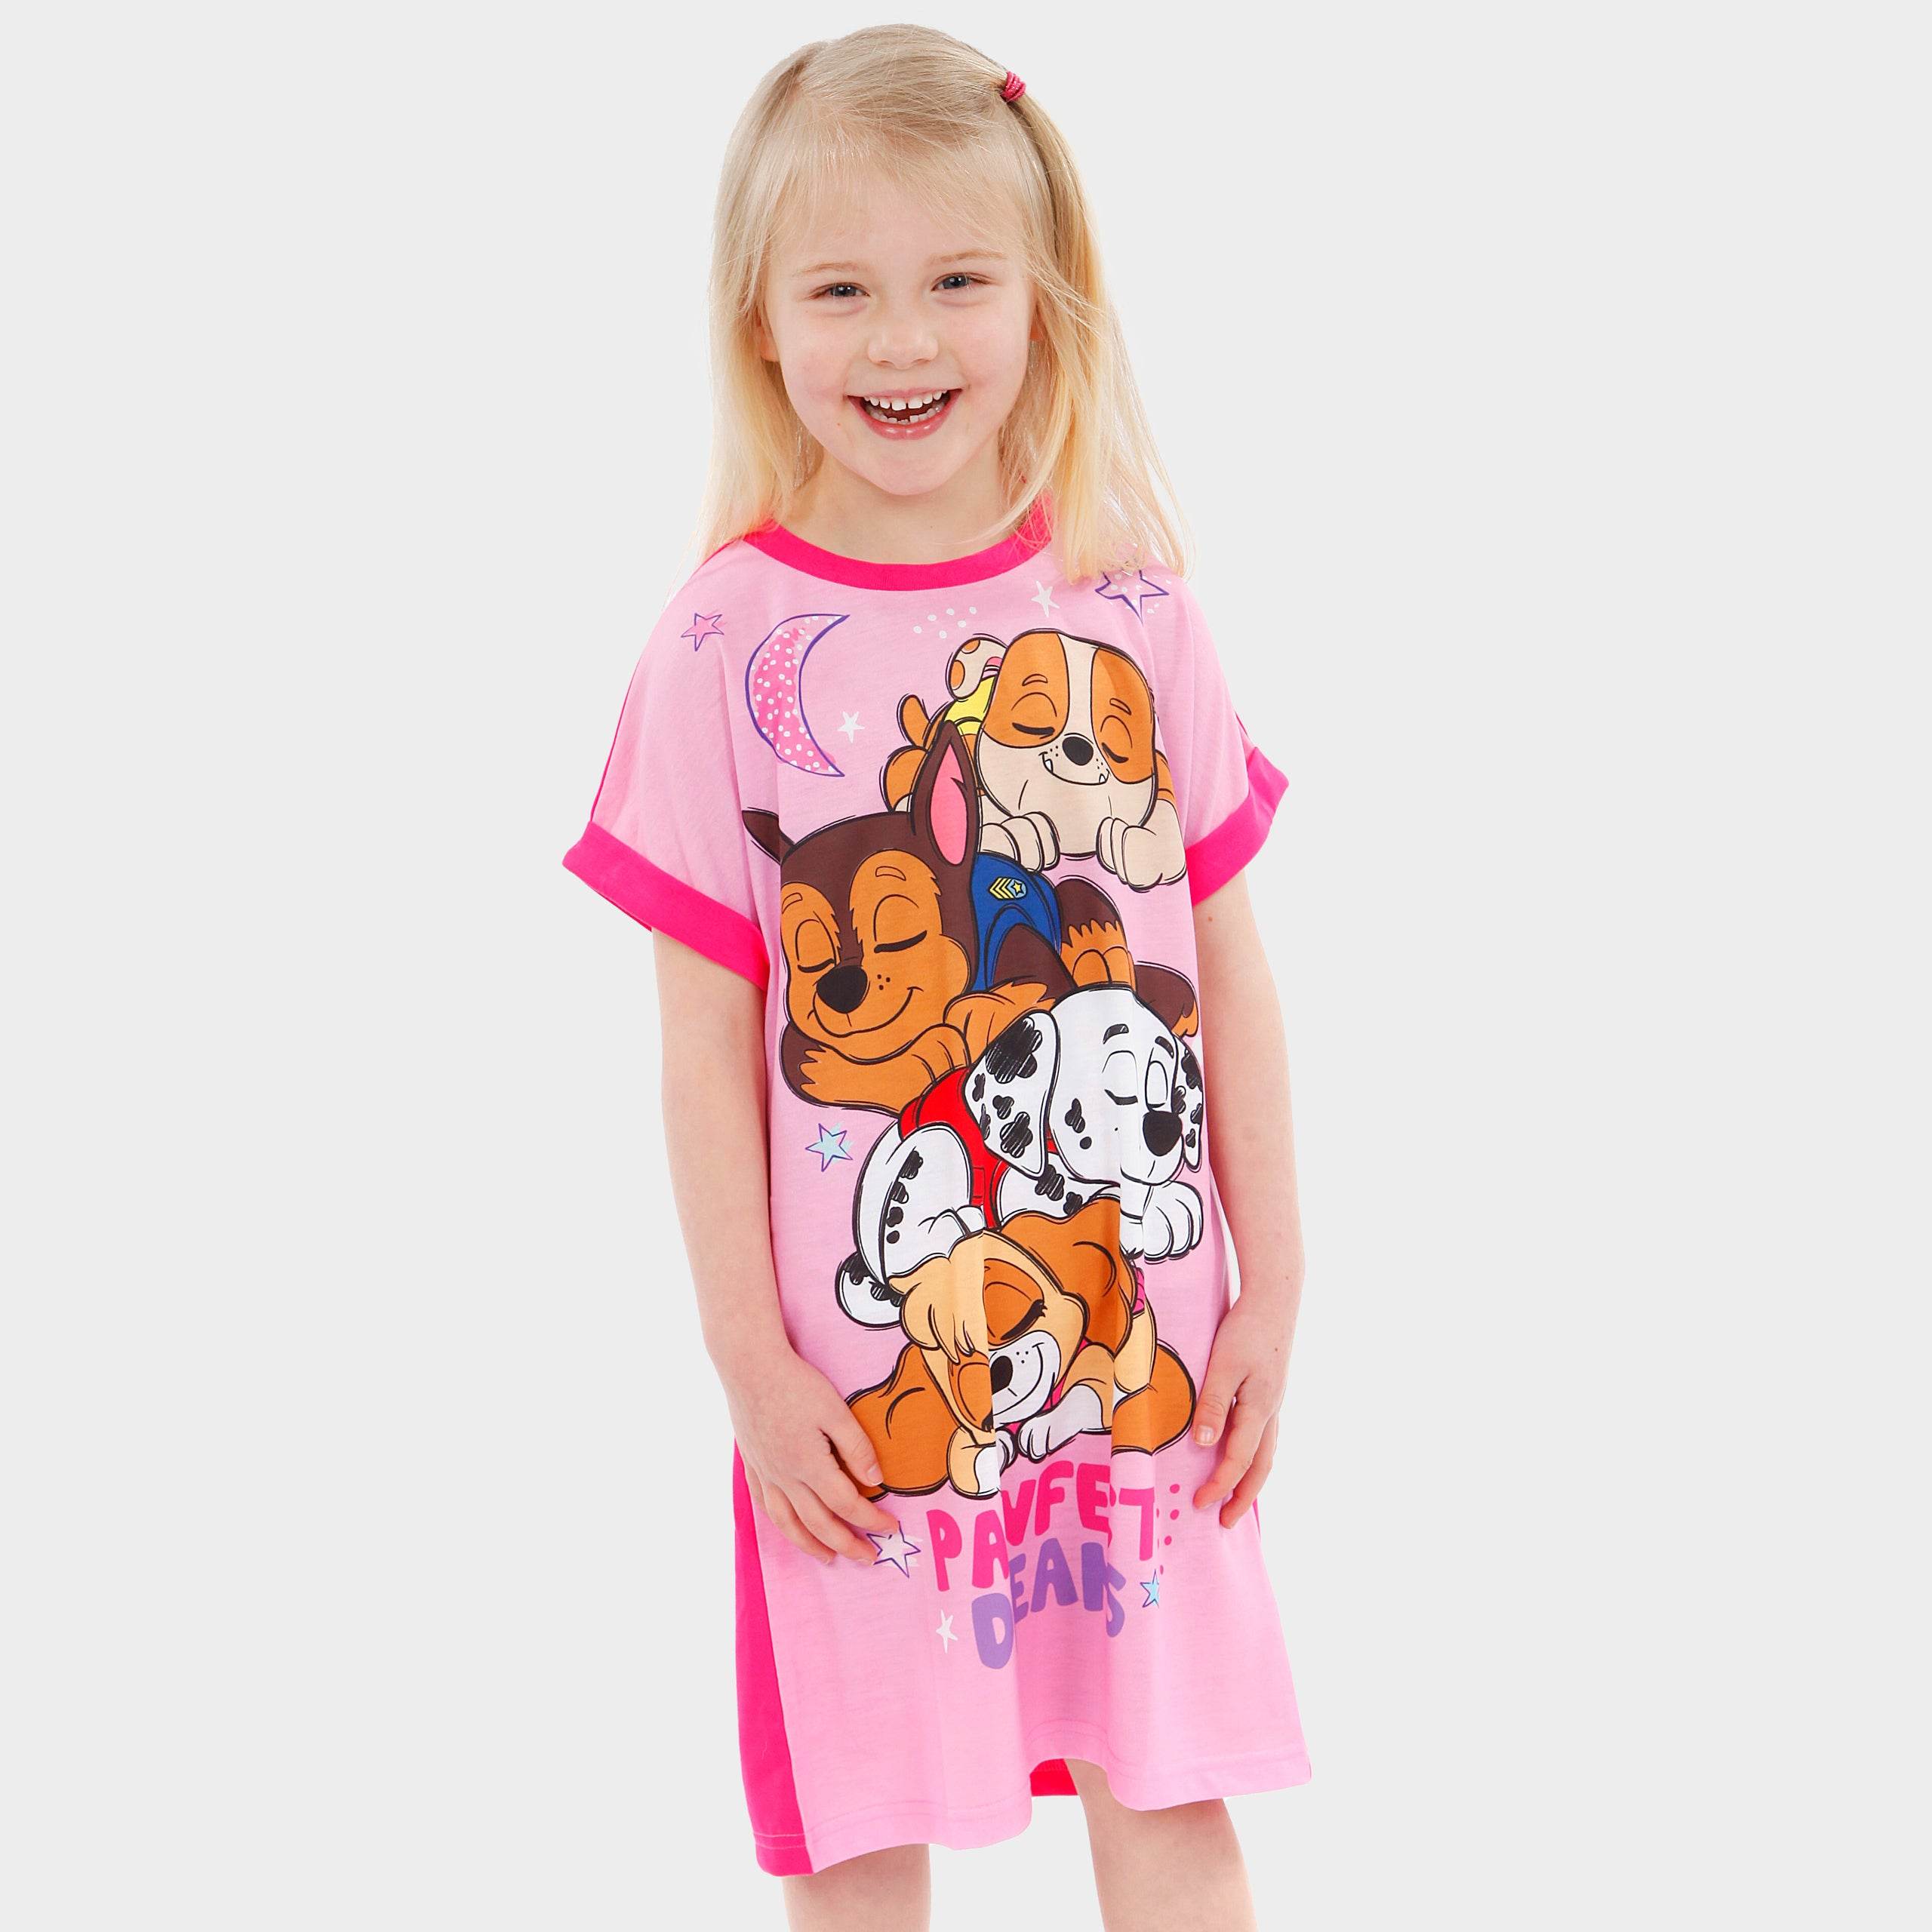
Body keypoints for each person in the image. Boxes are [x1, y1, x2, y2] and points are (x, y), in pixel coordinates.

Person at [563, 26, 1311, 1929]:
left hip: (1139, 1370)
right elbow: (698, 1040)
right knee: (856, 1814)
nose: (901, 341)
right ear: (759, 323)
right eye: (842, 291)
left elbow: (1225, 966)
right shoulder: (719, 645)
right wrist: (747, 1356)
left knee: (1168, 1784)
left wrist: (1275, 1275)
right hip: (863, 1385)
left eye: (956, 279)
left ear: (1043, 297)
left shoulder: (1133, 605)